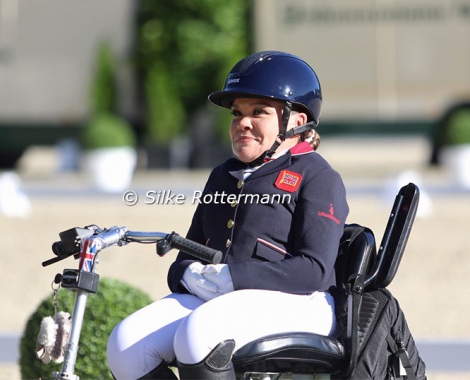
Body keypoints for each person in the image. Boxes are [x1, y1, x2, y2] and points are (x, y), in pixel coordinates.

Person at [107, 50, 349, 379]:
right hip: (225, 299)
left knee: (199, 334)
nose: (242, 124)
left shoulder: (318, 177)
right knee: (125, 345)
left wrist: (233, 278)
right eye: (237, 114)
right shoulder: (223, 175)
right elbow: (187, 254)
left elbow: (315, 271)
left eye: (258, 112)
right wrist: (189, 273)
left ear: (297, 121)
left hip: (303, 302)